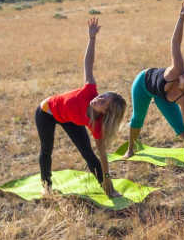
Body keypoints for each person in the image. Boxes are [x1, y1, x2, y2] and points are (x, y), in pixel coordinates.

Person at [36, 18, 126, 197]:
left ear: (105, 113)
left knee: (88, 153)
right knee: (47, 148)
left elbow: (102, 154)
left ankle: (105, 187)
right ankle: (46, 186)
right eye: (102, 96)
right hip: (47, 111)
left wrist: (108, 181)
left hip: (70, 119)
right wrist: (92, 38)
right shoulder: (90, 91)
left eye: (103, 102)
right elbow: (88, 64)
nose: (98, 99)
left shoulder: (96, 125)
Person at [123, 0, 184, 163]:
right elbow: (175, 43)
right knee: (138, 118)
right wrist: (181, 17)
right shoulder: (178, 69)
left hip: (162, 96)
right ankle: (130, 149)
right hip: (143, 84)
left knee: (179, 127)